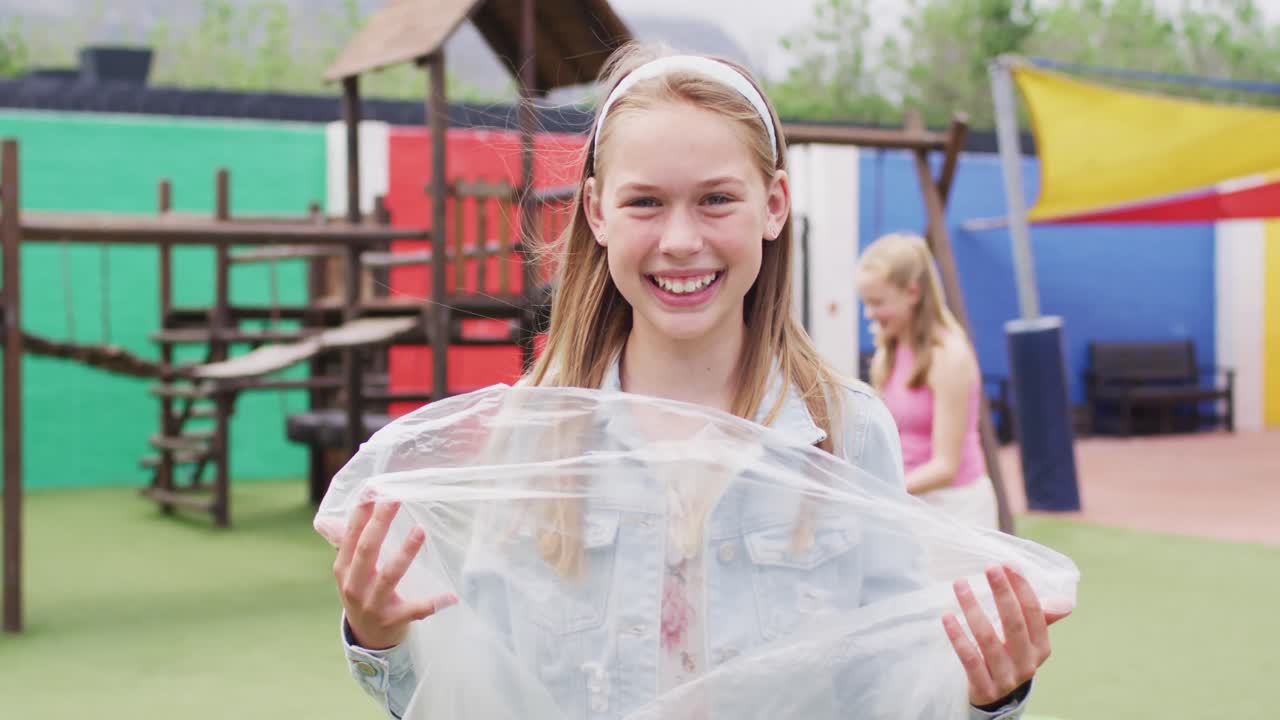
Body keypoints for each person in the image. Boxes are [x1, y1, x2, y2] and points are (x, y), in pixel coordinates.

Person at [331, 44, 1064, 719]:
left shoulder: (845, 429)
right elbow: (484, 691)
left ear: (774, 206)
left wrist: (985, 695)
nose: (681, 241)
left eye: (717, 199)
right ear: (597, 211)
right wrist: (384, 640)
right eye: (645, 202)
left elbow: (889, 687)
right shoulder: (535, 432)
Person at [855, 233, 1000, 530]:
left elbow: (945, 467)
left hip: (955, 509)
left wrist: (877, 494)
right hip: (909, 502)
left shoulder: (948, 356)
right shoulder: (889, 349)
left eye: (877, 302)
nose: (868, 314)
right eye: (865, 303)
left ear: (912, 293)